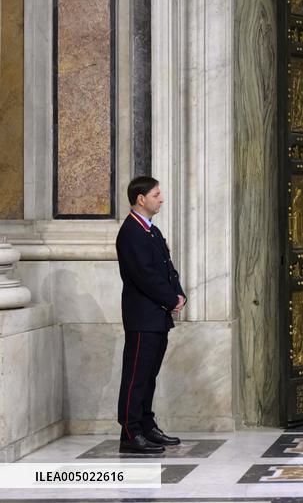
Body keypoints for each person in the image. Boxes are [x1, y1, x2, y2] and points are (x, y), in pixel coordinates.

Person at [115, 176, 186, 454]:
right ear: (140, 198)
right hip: (142, 317)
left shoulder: (151, 231)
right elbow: (144, 276)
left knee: (149, 375)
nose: (161, 199)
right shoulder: (130, 232)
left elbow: (167, 269)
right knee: (136, 376)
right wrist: (171, 299)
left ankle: (146, 425)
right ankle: (130, 433)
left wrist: (180, 295)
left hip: (157, 316)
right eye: (156, 194)